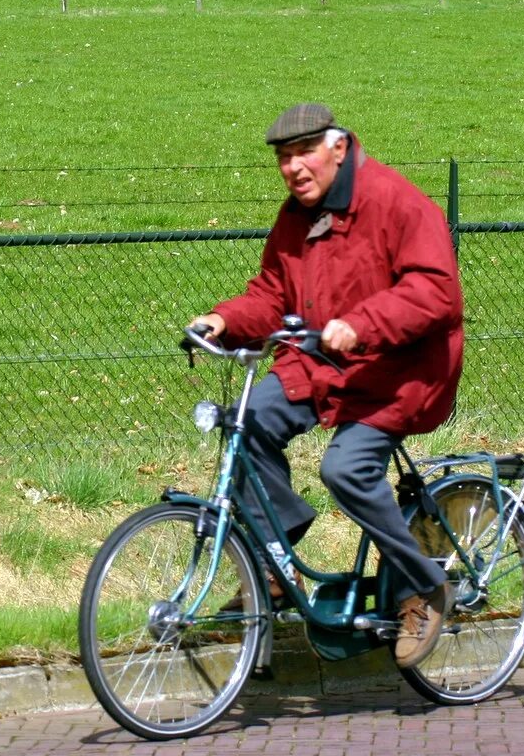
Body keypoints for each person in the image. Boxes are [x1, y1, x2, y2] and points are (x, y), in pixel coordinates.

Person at [192, 102, 464, 669]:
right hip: (324, 367)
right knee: (247, 422)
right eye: (283, 158)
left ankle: (424, 587)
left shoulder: (396, 202)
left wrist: (363, 323)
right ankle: (275, 557)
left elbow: (436, 293)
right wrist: (224, 319)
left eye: (303, 154)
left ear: (338, 148)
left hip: (400, 373)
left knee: (345, 469)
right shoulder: (297, 217)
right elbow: (271, 293)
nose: (293, 168)